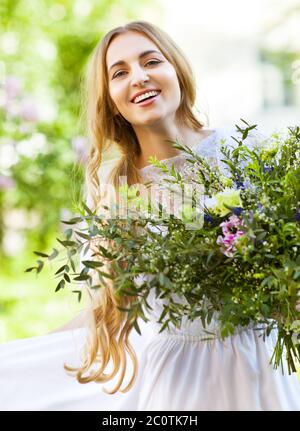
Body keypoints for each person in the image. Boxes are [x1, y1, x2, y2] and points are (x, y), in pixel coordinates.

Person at [0, 20, 299, 411]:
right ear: (111, 99)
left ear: (176, 69)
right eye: (120, 73)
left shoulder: (246, 152)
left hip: (258, 362)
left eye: (150, 61)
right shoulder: (119, 194)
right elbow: (110, 307)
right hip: (180, 384)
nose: (138, 78)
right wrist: (17, 358)